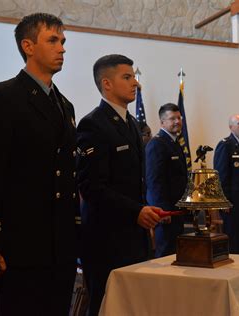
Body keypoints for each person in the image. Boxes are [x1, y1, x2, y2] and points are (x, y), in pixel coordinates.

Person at [0, 13, 79, 316]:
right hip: (21, 243)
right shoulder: (3, 97)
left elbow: (68, 174)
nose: (62, 48)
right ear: (28, 46)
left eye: (63, 41)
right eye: (53, 40)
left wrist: (74, 230)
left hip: (60, 244)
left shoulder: (65, 105)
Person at [76, 54, 162, 316]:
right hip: (106, 237)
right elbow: (91, 187)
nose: (135, 83)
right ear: (107, 84)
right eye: (127, 77)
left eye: (134, 76)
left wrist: (143, 210)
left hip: (134, 234)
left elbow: (136, 181)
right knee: (106, 305)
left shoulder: (133, 124)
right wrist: (135, 211)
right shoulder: (93, 124)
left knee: (133, 305)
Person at [146, 103, 188, 257]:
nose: (177, 121)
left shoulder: (174, 143)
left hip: (176, 208)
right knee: (165, 253)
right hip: (166, 210)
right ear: (162, 122)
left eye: (179, 118)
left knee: (176, 253)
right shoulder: (157, 144)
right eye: (172, 119)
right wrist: (162, 210)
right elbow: (154, 181)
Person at [213, 114, 239, 254]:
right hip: (232, 203)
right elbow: (220, 176)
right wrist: (224, 201)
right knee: (233, 240)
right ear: (231, 127)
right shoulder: (225, 145)